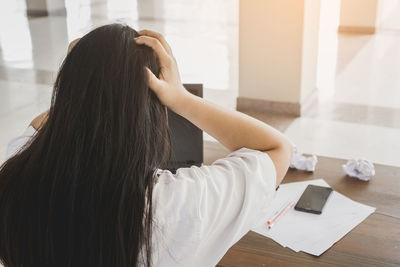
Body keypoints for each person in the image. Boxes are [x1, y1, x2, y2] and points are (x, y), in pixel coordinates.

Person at [0, 24, 292, 267]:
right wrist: (180, 97)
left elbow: (45, 128)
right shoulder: (175, 204)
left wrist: (84, 81)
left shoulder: (12, 178)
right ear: (151, 110)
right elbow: (276, 148)